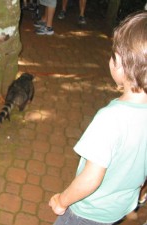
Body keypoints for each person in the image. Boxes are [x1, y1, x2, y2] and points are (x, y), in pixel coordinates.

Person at [49, 11, 147, 225]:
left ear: (119, 63)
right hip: (118, 208)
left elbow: (91, 178)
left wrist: (62, 201)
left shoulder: (110, 119)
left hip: (86, 212)